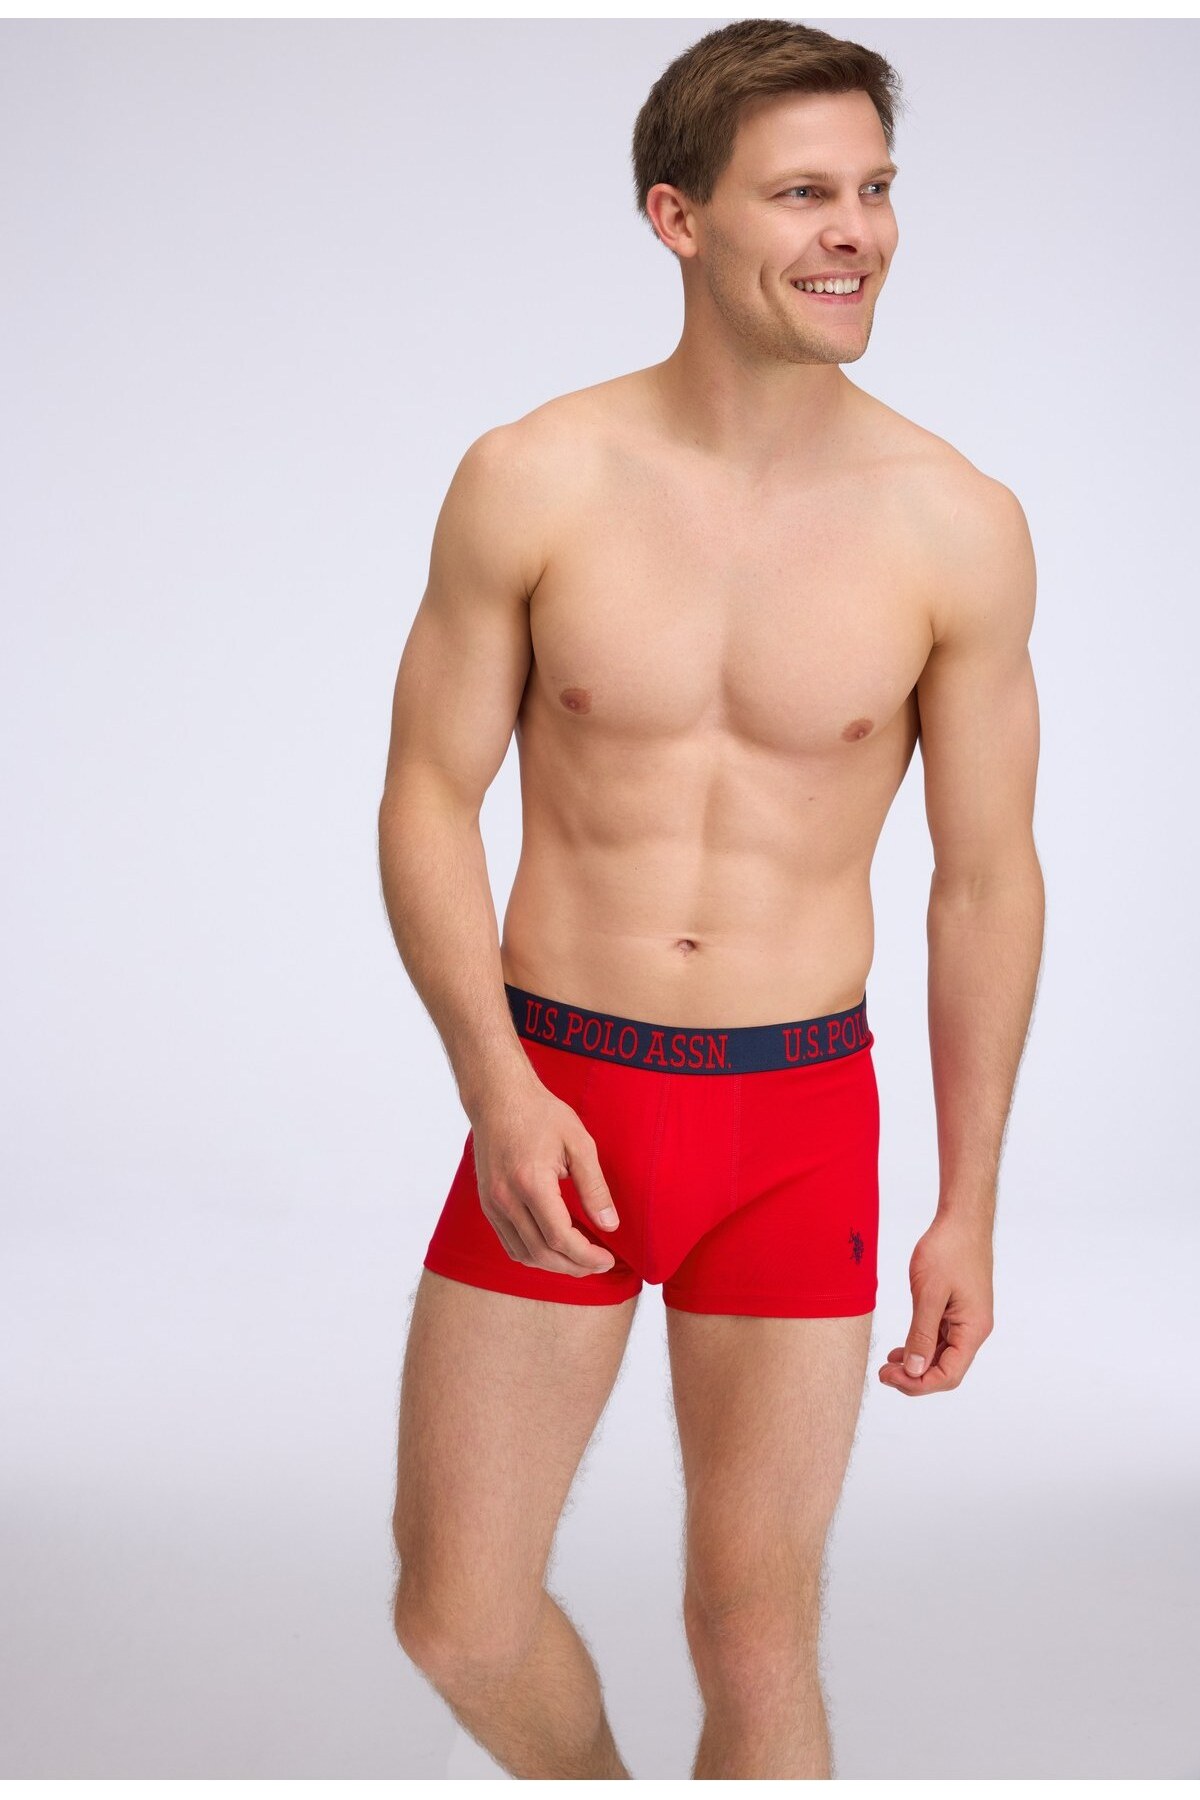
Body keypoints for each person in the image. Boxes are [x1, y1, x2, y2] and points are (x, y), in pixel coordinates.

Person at [376, 16, 1044, 1781]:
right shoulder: (534, 477)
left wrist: (969, 1202)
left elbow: (985, 884)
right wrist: (494, 1086)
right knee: (457, 1612)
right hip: (561, 1094)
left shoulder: (956, 522)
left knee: (752, 1627)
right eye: (804, 193)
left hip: (799, 1120)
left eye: (876, 189)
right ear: (677, 217)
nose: (857, 232)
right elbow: (428, 796)